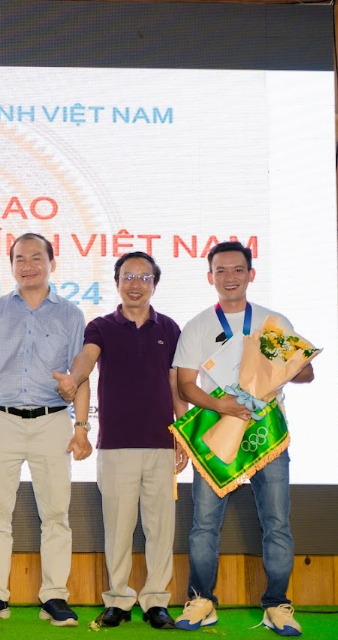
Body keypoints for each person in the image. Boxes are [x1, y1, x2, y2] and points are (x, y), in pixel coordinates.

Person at [172, 241, 313, 637]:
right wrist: (224, 405)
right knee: (203, 524)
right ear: (210, 277)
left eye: (237, 269)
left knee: (276, 522)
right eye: (221, 270)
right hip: (218, 432)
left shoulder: (272, 322)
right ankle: (202, 600)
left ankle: (276, 604)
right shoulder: (199, 325)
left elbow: (306, 374)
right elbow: (185, 385)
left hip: (266, 434)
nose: (229, 277)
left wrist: (278, 368)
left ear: (251, 274)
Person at [0, 232, 90, 627]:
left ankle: (55, 596)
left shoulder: (70, 315)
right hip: (2, 421)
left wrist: (81, 427)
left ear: (52, 263)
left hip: (52, 421)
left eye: (36, 258)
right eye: (19, 259)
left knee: (56, 514)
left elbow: (80, 374)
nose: (27, 265)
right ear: (11, 265)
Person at [53, 251, 188, 630]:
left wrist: (184, 433)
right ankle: (118, 600)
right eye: (128, 276)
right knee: (118, 527)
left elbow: (176, 385)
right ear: (116, 283)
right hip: (115, 446)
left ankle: (156, 602)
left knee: (161, 528)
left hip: (161, 443)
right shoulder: (101, 326)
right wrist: (73, 377)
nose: (135, 284)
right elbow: (86, 359)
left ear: (154, 285)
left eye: (144, 277)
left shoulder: (169, 328)